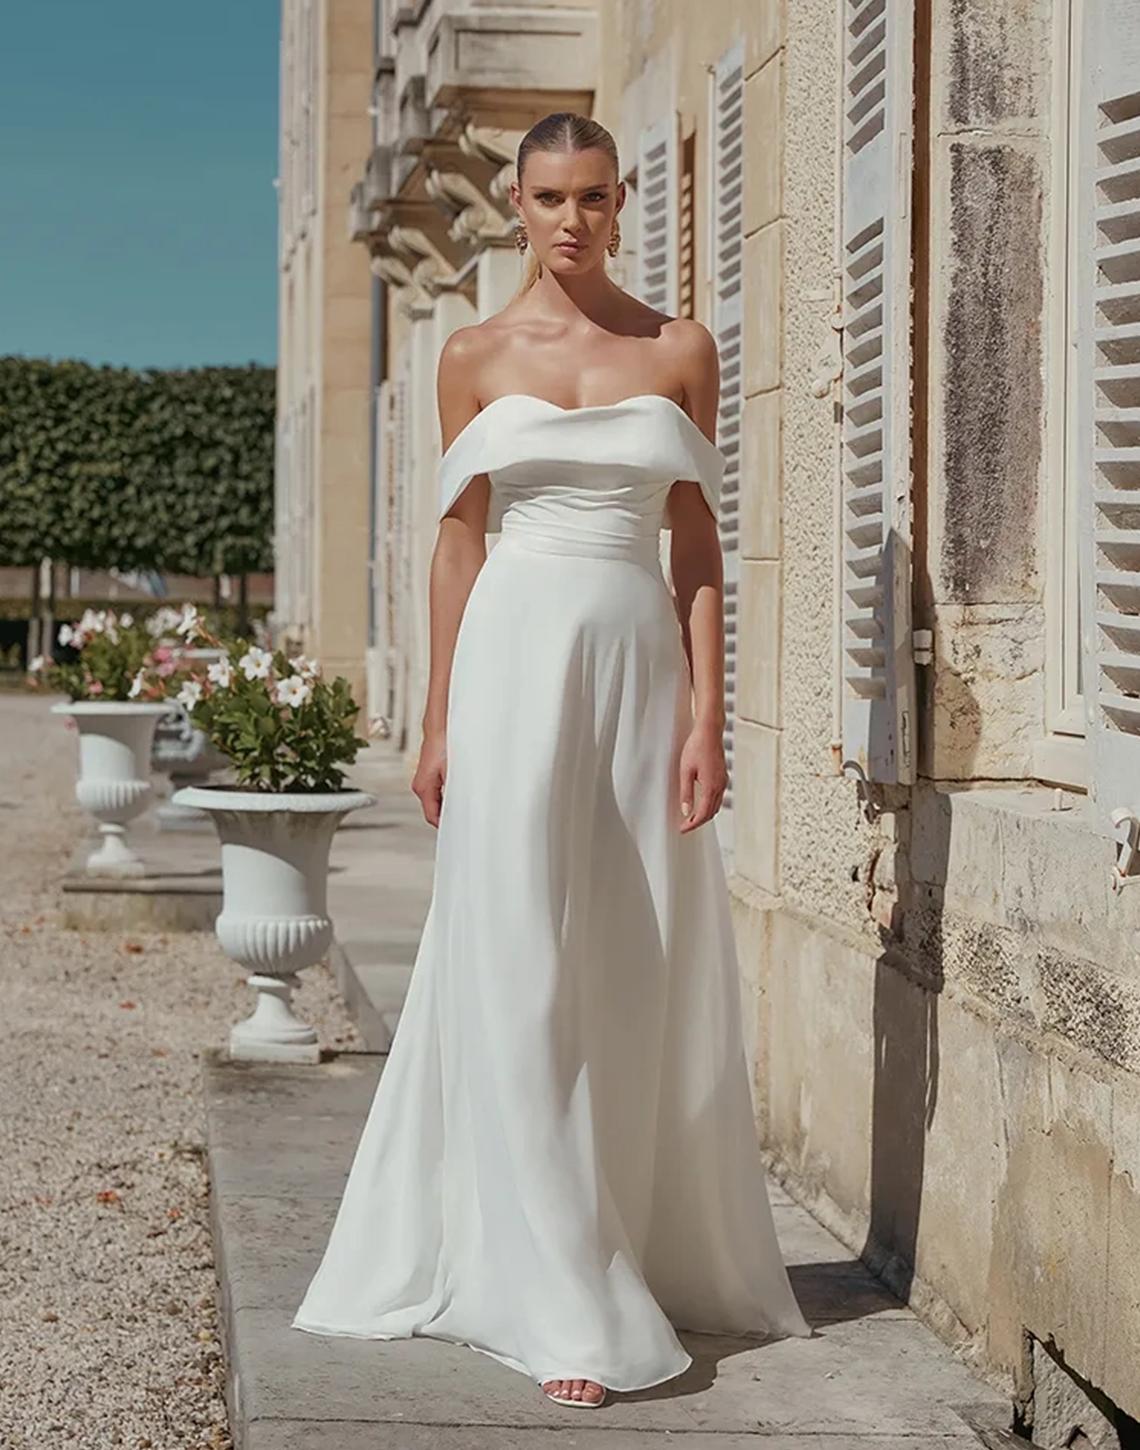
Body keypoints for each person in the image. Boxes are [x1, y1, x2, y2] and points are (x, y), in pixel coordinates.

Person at [290, 110, 812, 1411]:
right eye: (546, 198)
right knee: (519, 956)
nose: (571, 219)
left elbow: (695, 548)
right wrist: (436, 719)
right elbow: (458, 544)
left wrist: (707, 716)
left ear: (624, 201)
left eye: (593, 196)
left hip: (637, 671)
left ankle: (612, 1231)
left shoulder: (678, 347)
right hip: (516, 664)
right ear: (512, 209)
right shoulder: (470, 356)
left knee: (626, 963)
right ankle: (558, 1285)